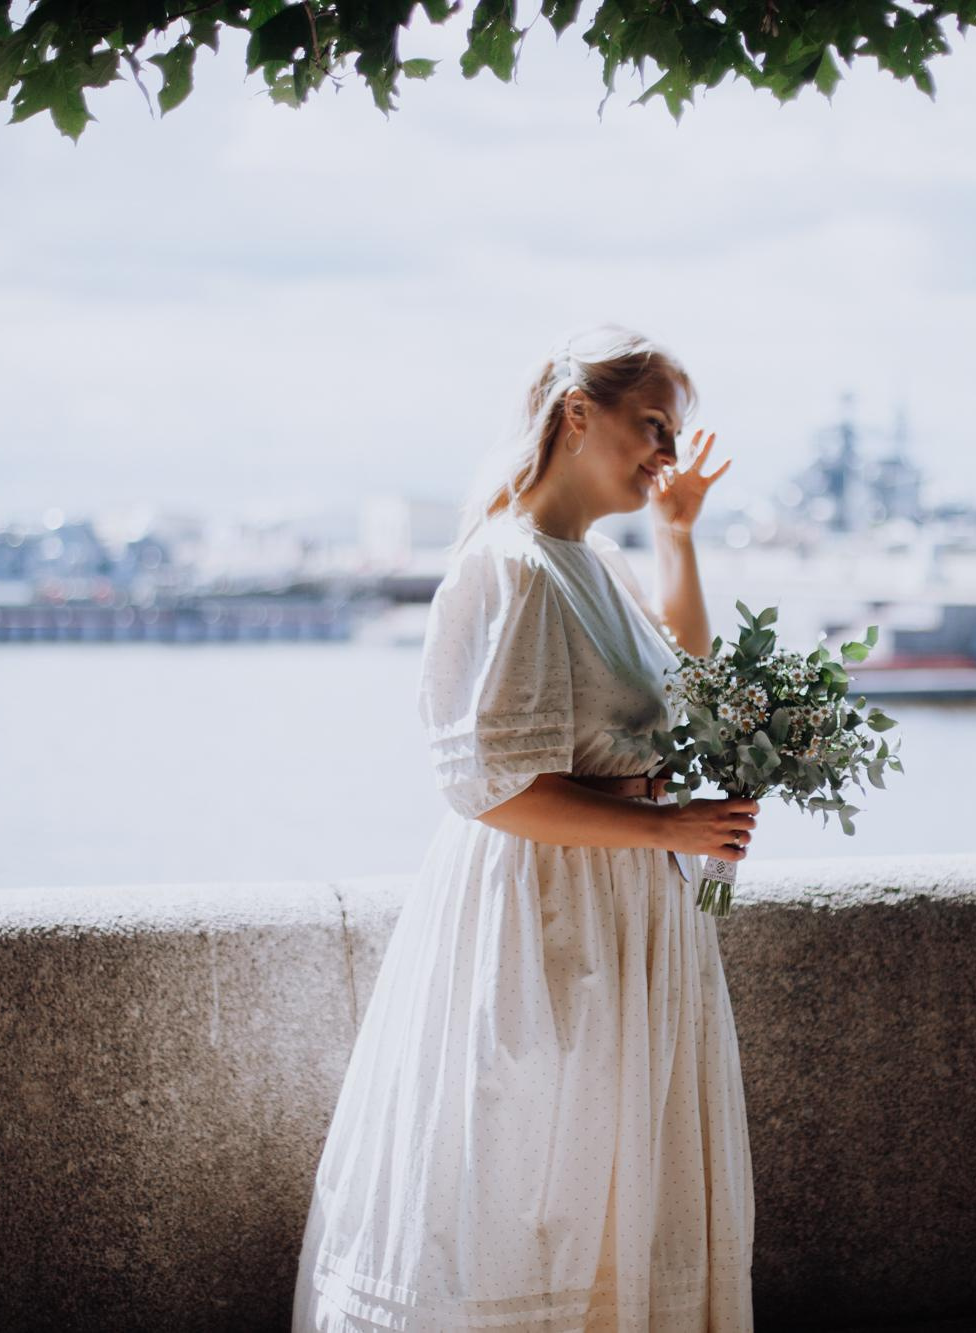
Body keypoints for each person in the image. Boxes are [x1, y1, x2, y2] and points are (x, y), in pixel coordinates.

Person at [291, 324, 761, 1331]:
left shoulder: (594, 565)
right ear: (576, 412)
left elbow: (682, 683)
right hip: (540, 924)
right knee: (529, 1182)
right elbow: (489, 789)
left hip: (620, 915)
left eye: (671, 437)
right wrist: (669, 827)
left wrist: (677, 536)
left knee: (604, 1192)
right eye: (651, 428)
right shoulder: (506, 566)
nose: (665, 455)